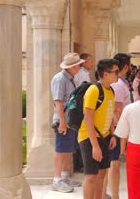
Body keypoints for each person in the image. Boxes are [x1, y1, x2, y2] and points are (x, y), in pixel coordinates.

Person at [79, 59, 118, 199]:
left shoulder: (111, 91)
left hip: (105, 137)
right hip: (89, 137)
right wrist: (95, 145)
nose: (118, 75)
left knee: (102, 173)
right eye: (115, 72)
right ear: (106, 74)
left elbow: (110, 113)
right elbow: (87, 118)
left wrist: (113, 135)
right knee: (91, 176)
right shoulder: (93, 90)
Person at [50, 52, 85, 193]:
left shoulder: (70, 78)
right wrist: (62, 121)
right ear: (71, 66)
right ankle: (57, 180)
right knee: (60, 149)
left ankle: (64, 176)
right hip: (63, 119)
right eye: (77, 65)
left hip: (69, 119)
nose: (79, 67)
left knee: (67, 149)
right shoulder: (60, 79)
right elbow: (58, 101)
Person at [104, 53, 132, 199]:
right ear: (126, 66)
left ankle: (104, 194)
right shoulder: (119, 85)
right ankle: (114, 196)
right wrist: (122, 131)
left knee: (108, 165)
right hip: (116, 129)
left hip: (113, 128)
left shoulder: (117, 83)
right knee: (114, 165)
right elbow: (117, 109)